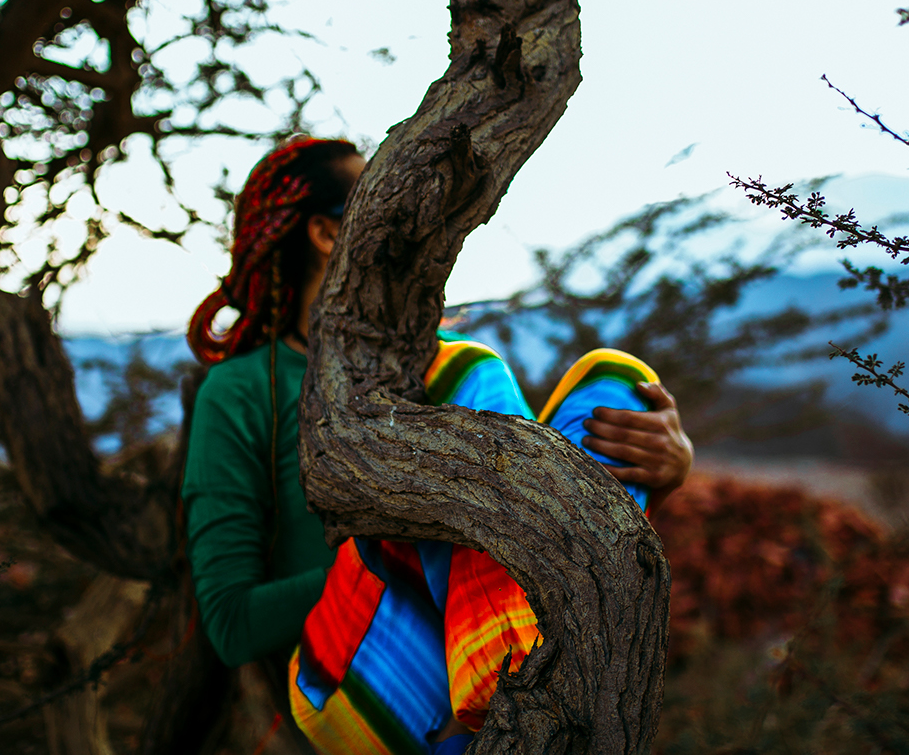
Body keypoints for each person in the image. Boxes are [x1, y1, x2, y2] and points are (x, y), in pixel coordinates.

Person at [182, 136, 693, 754]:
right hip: (353, 677)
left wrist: (660, 479)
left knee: (615, 381)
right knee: (465, 372)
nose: (422, 220)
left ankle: (521, 663)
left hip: (474, 645)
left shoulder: (433, 365)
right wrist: (407, 534)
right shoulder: (238, 391)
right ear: (324, 234)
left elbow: (536, 523)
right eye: (387, 203)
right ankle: (514, 663)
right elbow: (232, 624)